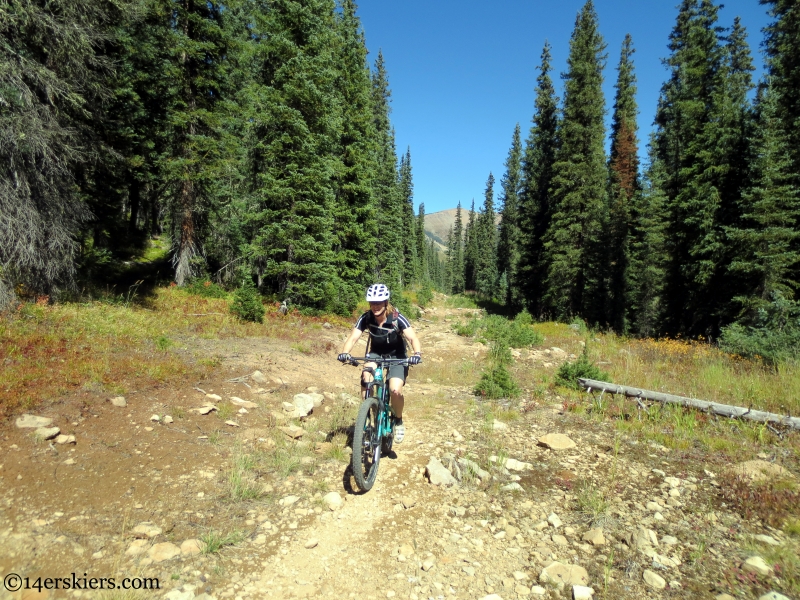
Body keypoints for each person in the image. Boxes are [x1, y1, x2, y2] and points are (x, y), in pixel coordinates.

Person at [337, 284, 422, 443]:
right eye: (372, 303)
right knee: (366, 377)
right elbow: (353, 337)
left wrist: (417, 354)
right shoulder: (366, 317)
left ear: (386, 303)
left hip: (397, 356)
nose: (375, 306)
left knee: (395, 389)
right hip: (376, 354)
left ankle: (398, 420)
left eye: (379, 302)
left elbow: (412, 338)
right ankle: (366, 415)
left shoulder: (397, 318)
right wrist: (345, 353)